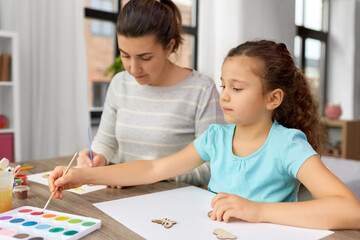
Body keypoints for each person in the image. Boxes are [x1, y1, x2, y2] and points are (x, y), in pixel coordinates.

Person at [50, 40, 360, 229]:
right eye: (224, 85)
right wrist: (83, 176)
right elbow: (155, 168)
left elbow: (350, 211)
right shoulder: (217, 137)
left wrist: (257, 210)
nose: (224, 96)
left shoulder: (287, 145)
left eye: (237, 88)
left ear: (273, 99)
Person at [78, 0, 224, 187]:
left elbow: (211, 166)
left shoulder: (201, 90)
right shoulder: (119, 83)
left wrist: (149, 175)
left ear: (169, 47)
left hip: (172, 203)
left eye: (145, 57)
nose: (133, 68)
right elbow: (106, 142)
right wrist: (98, 157)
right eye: (125, 55)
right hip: (120, 197)